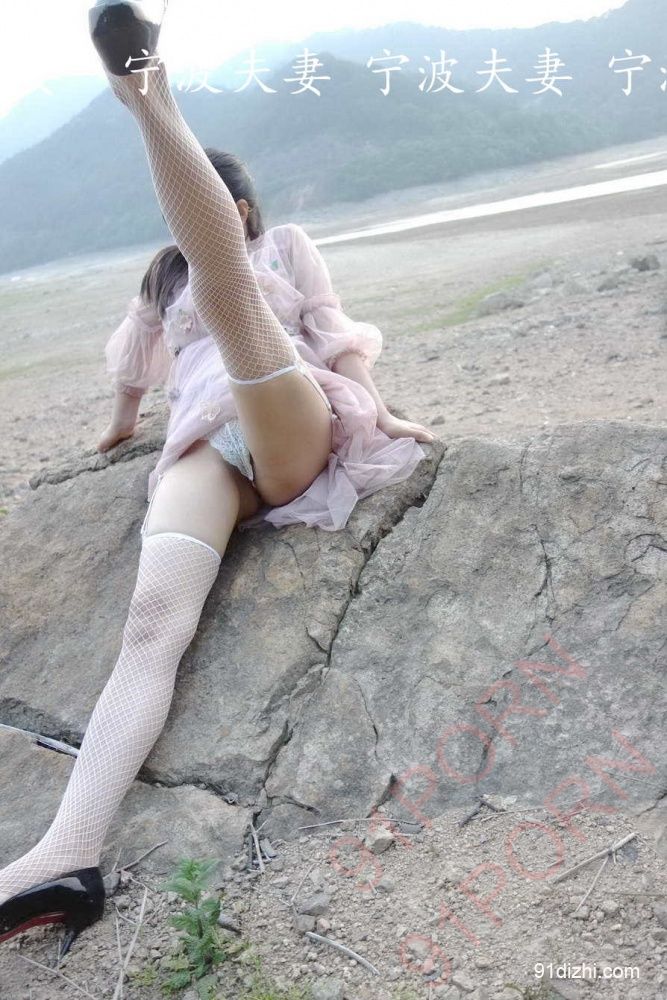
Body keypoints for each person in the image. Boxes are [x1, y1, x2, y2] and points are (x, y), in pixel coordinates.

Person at [0, 0, 437, 958]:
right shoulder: (160, 280)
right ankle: (65, 856)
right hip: (204, 447)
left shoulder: (283, 246)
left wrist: (385, 409)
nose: (231, 217)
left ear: (244, 208)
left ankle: (146, 94)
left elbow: (334, 336)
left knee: (231, 296)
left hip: (284, 415)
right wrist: (117, 433)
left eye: (232, 207)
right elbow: (133, 376)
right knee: (151, 626)